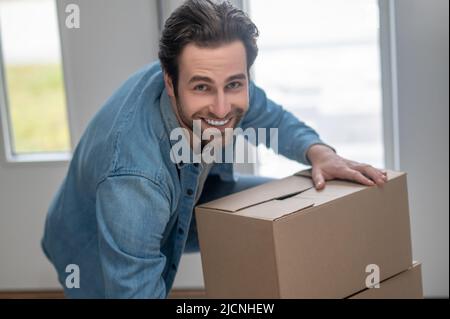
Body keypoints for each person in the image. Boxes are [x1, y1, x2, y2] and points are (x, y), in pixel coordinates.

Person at [42, 0, 387, 298]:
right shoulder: (134, 185)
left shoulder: (209, 74)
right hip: (93, 245)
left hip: (185, 195)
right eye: (203, 88)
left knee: (283, 212)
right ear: (170, 82)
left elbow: (270, 117)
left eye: (234, 84)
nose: (222, 109)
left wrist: (319, 153)